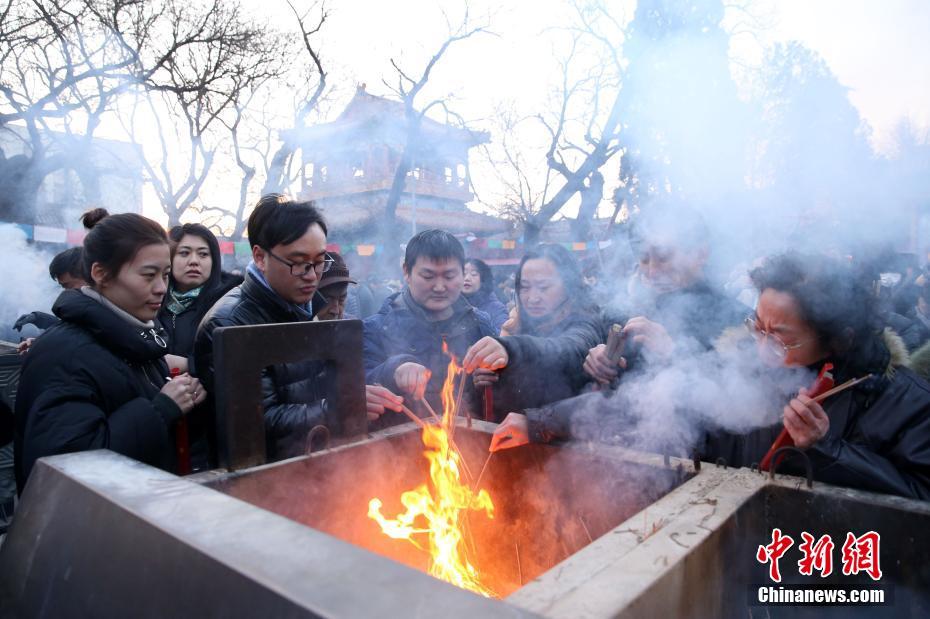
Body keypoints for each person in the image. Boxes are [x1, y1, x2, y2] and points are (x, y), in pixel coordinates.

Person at [492, 252, 930, 501]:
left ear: (839, 338)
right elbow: (644, 404)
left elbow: (918, 496)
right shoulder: (737, 366)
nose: (761, 345)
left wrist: (828, 449)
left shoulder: (900, 400)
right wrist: (540, 420)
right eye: (757, 325)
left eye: (780, 336)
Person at [195, 195, 402, 460]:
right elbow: (257, 420)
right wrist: (339, 407)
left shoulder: (306, 306)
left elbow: (320, 386)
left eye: (318, 262)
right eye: (298, 262)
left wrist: (356, 393)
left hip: (314, 460)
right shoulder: (229, 322)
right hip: (262, 475)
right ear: (260, 257)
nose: (312, 275)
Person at [14, 208, 205, 492]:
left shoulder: (135, 338)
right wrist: (161, 409)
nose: (161, 288)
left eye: (165, 275)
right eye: (148, 275)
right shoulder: (65, 354)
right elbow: (69, 470)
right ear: (101, 274)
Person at [363, 230, 495, 421]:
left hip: (466, 442)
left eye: (449, 276)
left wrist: (491, 380)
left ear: (463, 273)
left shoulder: (480, 324)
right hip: (400, 446)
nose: (439, 287)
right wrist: (392, 371)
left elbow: (500, 392)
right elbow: (355, 391)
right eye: (428, 276)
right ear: (406, 272)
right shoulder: (376, 329)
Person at [463, 244, 601, 421]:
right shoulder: (515, 325)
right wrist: (482, 383)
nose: (532, 298)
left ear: (570, 286)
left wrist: (511, 349)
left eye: (543, 287)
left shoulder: (586, 323)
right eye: (525, 287)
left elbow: (570, 349)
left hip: (565, 444)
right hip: (510, 439)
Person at [158, 223, 242, 363]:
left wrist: (189, 365)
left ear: (213, 261)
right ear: (170, 258)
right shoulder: (153, 298)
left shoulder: (228, 305)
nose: (194, 261)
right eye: (184, 253)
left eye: (203, 254)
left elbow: (237, 360)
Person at [462, 258, 508, 334]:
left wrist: (479, 317)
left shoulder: (497, 309)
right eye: (463, 274)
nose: (467, 278)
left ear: (483, 280)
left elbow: (503, 338)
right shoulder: (450, 305)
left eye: (473, 274)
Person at [312, 251, 356, 321]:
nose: (336, 311)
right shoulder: (294, 326)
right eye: (327, 300)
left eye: (341, 300)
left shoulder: (351, 327)